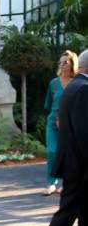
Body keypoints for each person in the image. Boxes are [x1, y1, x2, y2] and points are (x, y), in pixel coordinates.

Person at [30, 49, 88, 226]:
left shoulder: (74, 86)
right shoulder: (83, 88)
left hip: (73, 164)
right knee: (67, 213)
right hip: (80, 167)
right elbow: (84, 134)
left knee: (66, 213)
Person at [43, 50, 78, 195]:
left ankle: (66, 183)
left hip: (70, 122)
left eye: (66, 62)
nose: (62, 65)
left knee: (69, 153)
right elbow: (48, 104)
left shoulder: (77, 82)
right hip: (53, 121)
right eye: (60, 62)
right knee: (52, 151)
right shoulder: (54, 83)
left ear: (72, 64)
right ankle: (51, 183)